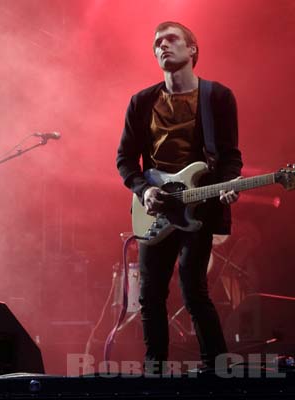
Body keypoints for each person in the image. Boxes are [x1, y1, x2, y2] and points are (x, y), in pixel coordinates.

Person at [116, 21, 243, 373]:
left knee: (192, 287)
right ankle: (154, 372)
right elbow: (125, 159)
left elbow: (230, 154)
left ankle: (217, 371)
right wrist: (145, 190)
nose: (162, 46)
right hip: (156, 208)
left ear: (192, 50)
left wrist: (229, 182)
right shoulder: (141, 102)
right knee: (150, 296)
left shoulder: (217, 97)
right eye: (157, 43)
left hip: (198, 206)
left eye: (171, 40)